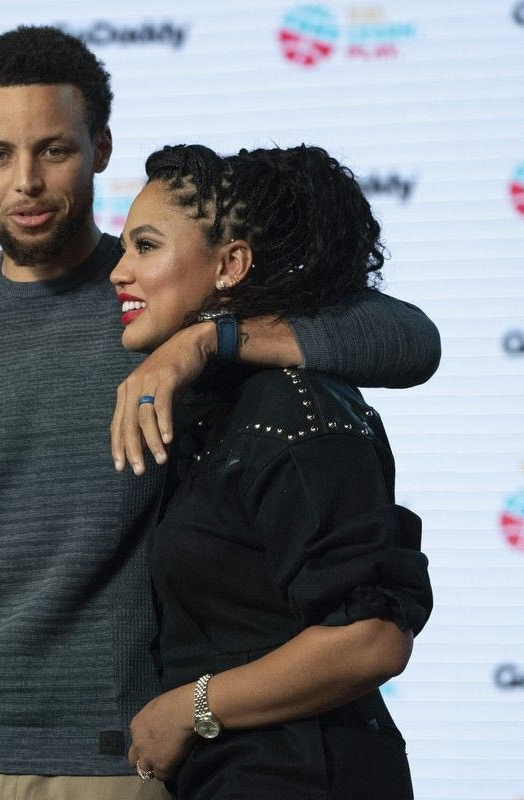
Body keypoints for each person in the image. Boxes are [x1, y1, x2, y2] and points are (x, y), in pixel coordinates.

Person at [0, 26, 440, 800]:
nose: (26, 182)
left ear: (100, 148)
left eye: (53, 150)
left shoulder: (165, 303)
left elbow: (409, 338)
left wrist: (203, 344)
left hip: (123, 761)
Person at [109, 143, 432, 799]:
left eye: (145, 246)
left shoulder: (292, 409)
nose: (119, 272)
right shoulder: (222, 405)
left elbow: (371, 639)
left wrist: (189, 707)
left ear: (230, 265)